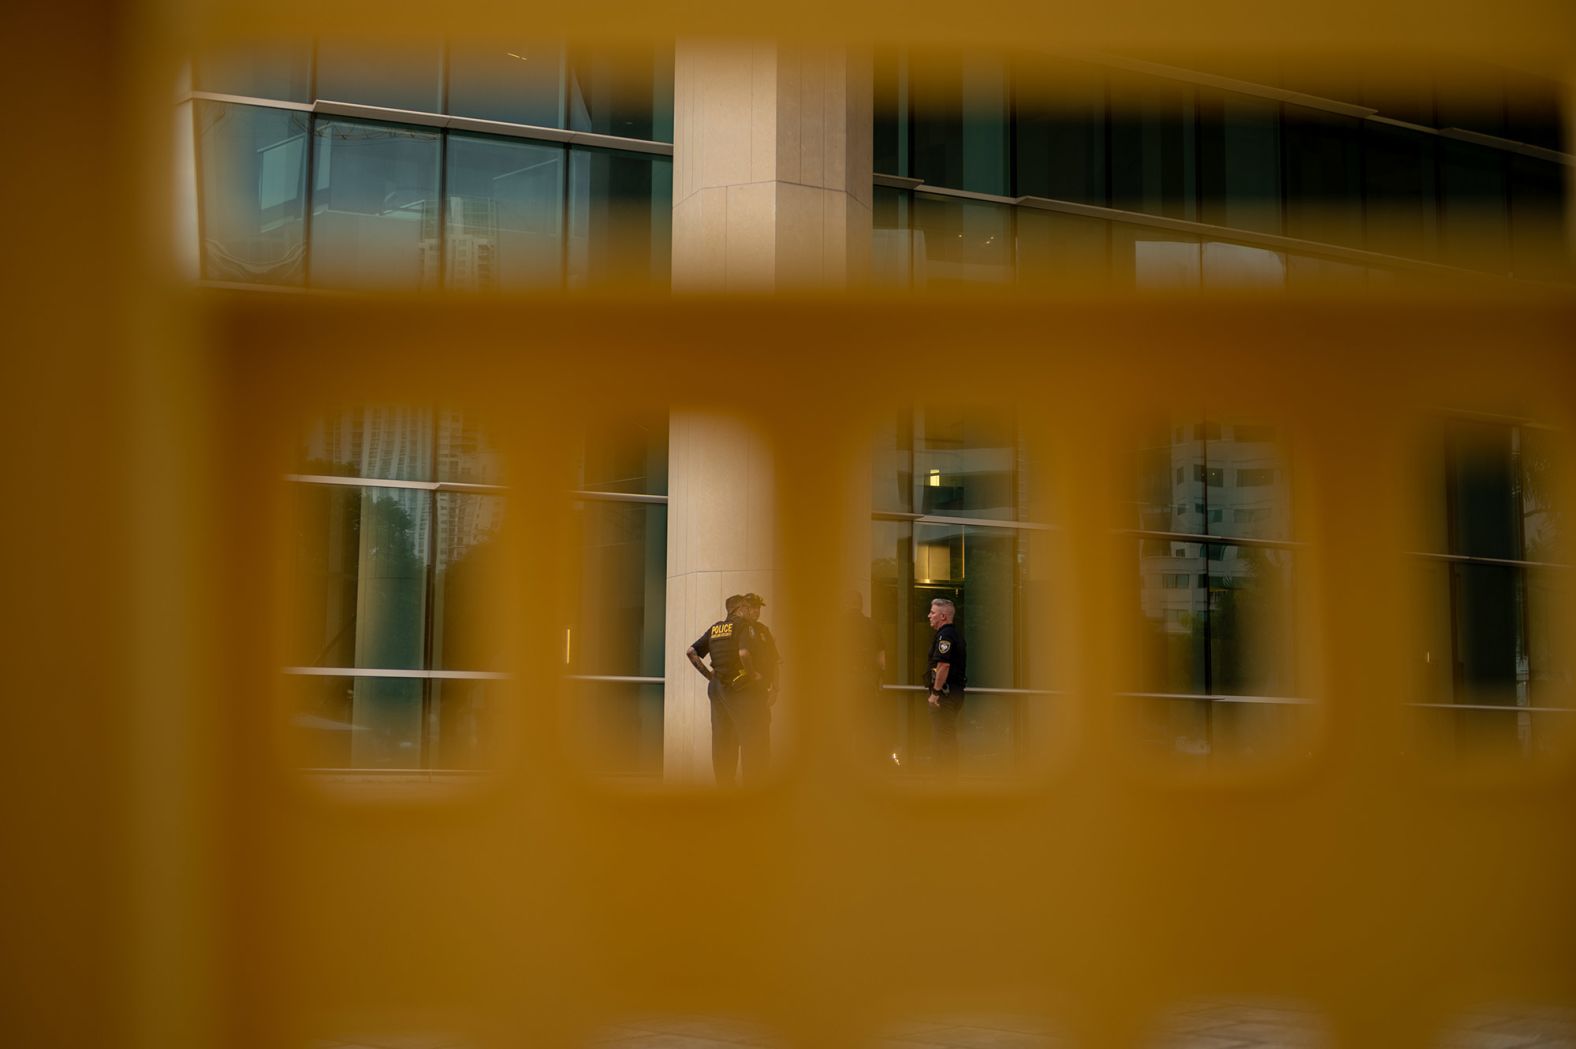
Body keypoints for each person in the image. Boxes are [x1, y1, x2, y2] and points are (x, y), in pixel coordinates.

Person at [684, 594, 769, 786]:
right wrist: (753, 674)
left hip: (716, 689)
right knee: (749, 736)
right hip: (739, 688)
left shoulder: (715, 628)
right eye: (747, 607)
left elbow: (691, 652)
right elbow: (744, 652)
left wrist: (709, 675)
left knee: (723, 739)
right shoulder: (743, 626)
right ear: (740, 608)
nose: (750, 611)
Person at [925, 597, 967, 776]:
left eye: (933, 613)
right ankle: (943, 778)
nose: (929, 616)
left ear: (943, 616)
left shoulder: (946, 635)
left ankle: (946, 781)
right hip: (952, 695)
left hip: (945, 696)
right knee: (942, 737)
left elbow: (943, 665)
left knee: (944, 738)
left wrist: (935, 692)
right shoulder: (953, 634)